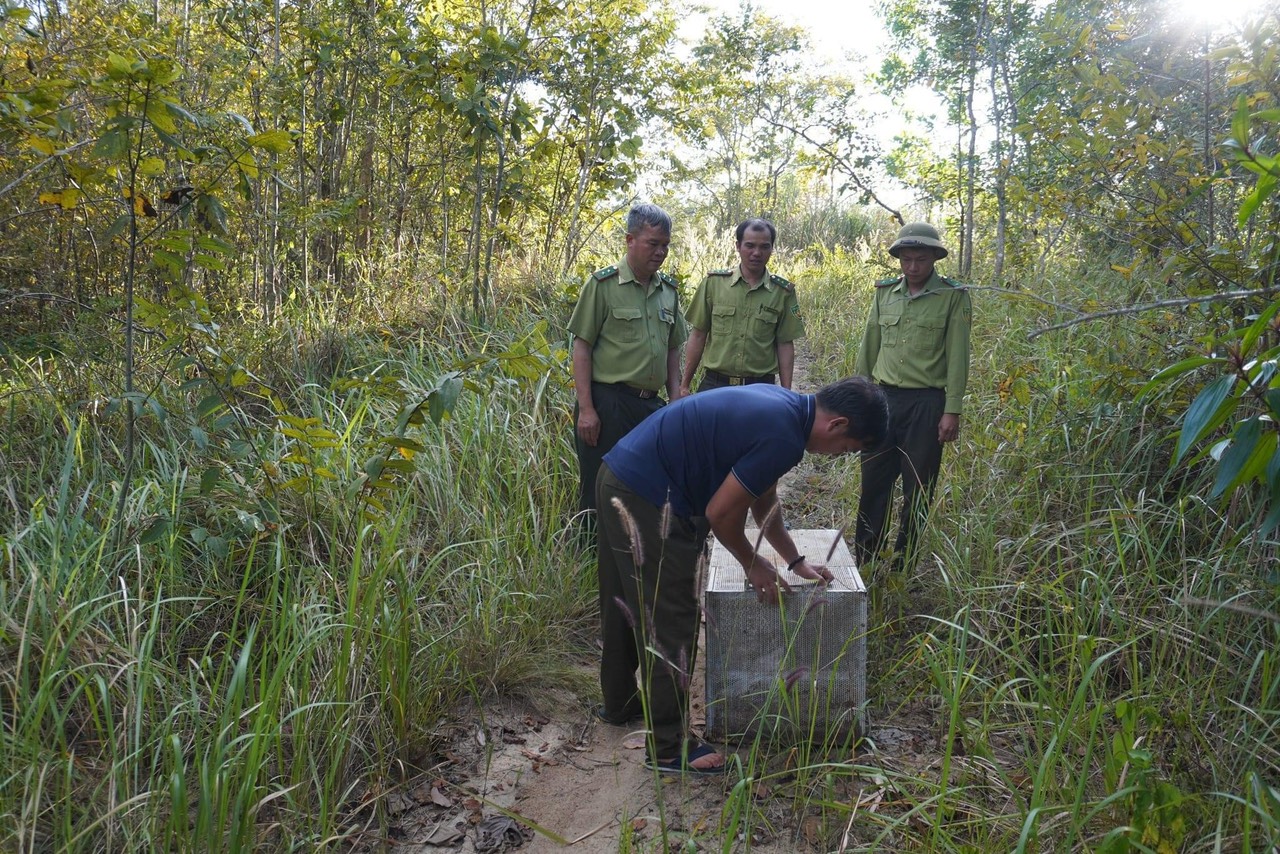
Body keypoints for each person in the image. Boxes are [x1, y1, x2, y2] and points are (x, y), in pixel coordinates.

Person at [594, 377, 889, 774]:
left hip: (617, 474)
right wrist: (751, 563)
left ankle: (620, 704)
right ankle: (667, 749)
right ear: (837, 425)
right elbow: (721, 513)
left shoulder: (785, 408)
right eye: (845, 449)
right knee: (672, 619)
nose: (837, 455)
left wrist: (794, 560)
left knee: (623, 602)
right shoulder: (784, 437)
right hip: (648, 497)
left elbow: (762, 498)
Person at [853, 222, 972, 573]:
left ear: (935, 257)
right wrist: (859, 395)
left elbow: (958, 356)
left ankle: (904, 566)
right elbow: (869, 345)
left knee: (918, 488)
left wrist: (952, 409)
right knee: (873, 484)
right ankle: (866, 562)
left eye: (921, 259)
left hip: (927, 404)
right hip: (883, 400)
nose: (913, 267)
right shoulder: (885, 293)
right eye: (906, 259)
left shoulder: (953, 296)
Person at [568, 203, 687, 523]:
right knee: (599, 484)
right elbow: (582, 348)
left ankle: (636, 553)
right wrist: (587, 409)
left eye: (666, 245)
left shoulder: (668, 292)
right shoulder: (602, 286)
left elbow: (673, 348)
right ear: (630, 240)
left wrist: (675, 397)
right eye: (653, 243)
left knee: (647, 482)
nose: (661, 252)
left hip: (650, 406)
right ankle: (591, 556)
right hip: (608, 403)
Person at [679, 218, 805, 394]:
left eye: (764, 247)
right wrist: (684, 385)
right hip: (716, 385)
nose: (756, 253)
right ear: (738, 246)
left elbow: (784, 344)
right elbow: (698, 335)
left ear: (772, 249)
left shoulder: (782, 292)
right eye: (750, 245)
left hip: (761, 388)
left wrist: (786, 394)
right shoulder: (714, 284)